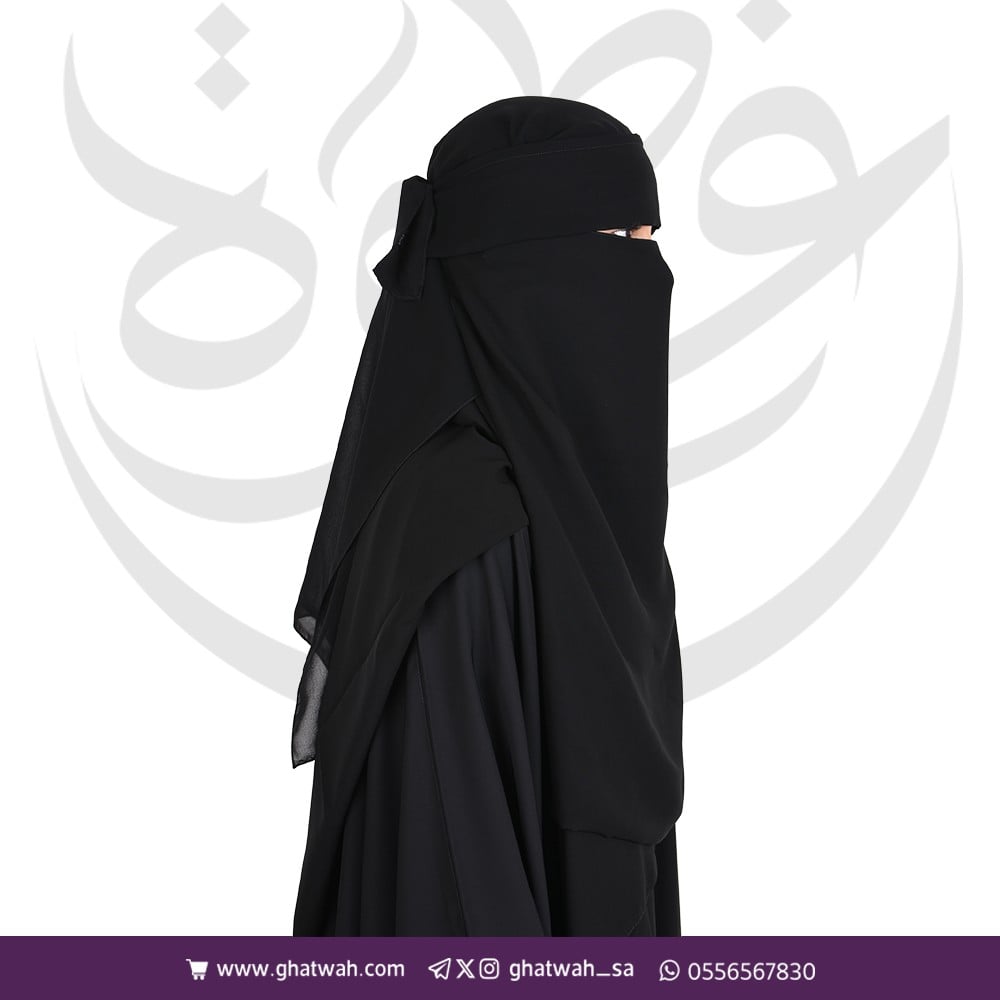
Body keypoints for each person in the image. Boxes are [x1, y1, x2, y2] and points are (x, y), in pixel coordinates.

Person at [290, 96, 684, 936]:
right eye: (616, 241)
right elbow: (453, 891)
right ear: (518, 273)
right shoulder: (460, 530)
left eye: (649, 241)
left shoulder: (580, 515)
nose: (644, 277)